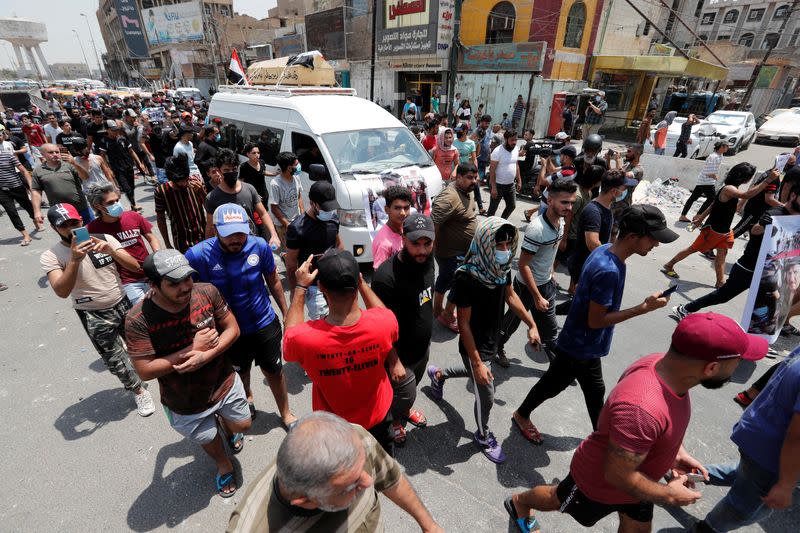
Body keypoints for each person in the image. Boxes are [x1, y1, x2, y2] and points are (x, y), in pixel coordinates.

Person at [506, 313, 768, 533]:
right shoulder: (641, 410)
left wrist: (677, 452)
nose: (740, 367)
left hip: (641, 482)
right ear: (710, 368)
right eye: (738, 360)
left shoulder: (660, 364)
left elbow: (662, 425)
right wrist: (668, 495)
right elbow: (617, 474)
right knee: (557, 498)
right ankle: (519, 502)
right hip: (601, 484)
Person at [513, 206, 678, 443]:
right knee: (581, 388)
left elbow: (583, 290)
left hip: (578, 339)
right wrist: (643, 308)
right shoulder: (609, 269)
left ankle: (597, 436)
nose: (656, 245)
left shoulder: (603, 250)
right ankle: (602, 441)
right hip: (581, 345)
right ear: (633, 237)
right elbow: (596, 320)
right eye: (653, 239)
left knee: (568, 385)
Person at [126, 249, 250, 498]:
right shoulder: (137, 319)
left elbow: (232, 329)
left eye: (187, 278)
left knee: (243, 423)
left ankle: (226, 425)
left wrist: (206, 355)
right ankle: (223, 464)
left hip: (223, 382)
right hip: (184, 400)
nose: (185, 287)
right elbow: (145, 369)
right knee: (208, 437)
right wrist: (192, 349)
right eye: (174, 283)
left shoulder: (206, 292)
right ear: (153, 285)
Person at [427, 218, 541, 463]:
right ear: (485, 243)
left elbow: (510, 296)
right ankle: (483, 435)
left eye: (509, 244)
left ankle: (438, 376)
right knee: (486, 393)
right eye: (499, 245)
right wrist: (477, 362)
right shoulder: (467, 277)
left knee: (477, 374)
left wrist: (531, 324)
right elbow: (464, 324)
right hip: (474, 344)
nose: (504, 251)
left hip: (492, 338)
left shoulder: (500, 269)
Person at [226, 411, 443, 533]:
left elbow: (390, 478)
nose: (368, 482)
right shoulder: (250, 528)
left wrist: (429, 525)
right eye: (352, 485)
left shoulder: (353, 440)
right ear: (305, 501)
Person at [284, 249, 404, 455]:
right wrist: (362, 283)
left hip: (336, 428)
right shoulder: (384, 323)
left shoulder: (306, 338)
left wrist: (301, 287)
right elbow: (383, 313)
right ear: (358, 281)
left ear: (321, 287)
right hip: (379, 418)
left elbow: (289, 339)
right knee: (382, 472)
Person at [185, 203, 295, 428]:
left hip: (264, 323)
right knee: (239, 372)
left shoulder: (260, 246)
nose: (236, 239)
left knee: (275, 370)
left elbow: (273, 280)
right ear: (215, 230)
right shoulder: (198, 255)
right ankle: (247, 398)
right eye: (229, 234)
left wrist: (286, 313)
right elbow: (186, 294)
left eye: (241, 233)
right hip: (228, 332)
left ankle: (285, 413)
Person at [40, 203, 154, 417]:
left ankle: (147, 370)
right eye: (63, 225)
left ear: (81, 221)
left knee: (138, 344)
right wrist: (74, 259)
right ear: (55, 228)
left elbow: (134, 266)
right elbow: (62, 291)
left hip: (121, 301)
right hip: (92, 312)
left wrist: (111, 250)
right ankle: (138, 390)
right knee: (114, 359)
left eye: (73, 222)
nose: (70, 228)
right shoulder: (51, 256)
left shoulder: (105, 239)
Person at [692, 346, 799, 532]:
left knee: (744, 474)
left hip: (761, 431)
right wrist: (786, 485)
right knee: (743, 508)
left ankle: (686, 472)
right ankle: (707, 529)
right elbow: (796, 436)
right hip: (774, 453)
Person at [672, 182, 800, 321]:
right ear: (793, 196)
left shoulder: (796, 221)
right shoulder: (775, 213)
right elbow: (755, 230)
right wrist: (764, 223)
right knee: (723, 296)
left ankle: (767, 330)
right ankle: (684, 309)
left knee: (770, 303)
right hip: (749, 267)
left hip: (771, 270)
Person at [497, 179, 577, 367]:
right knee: (512, 322)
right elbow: (523, 265)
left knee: (549, 327)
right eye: (564, 202)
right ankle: (497, 348)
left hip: (546, 283)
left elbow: (551, 250)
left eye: (571, 202)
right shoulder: (537, 229)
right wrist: (536, 296)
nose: (569, 206)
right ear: (550, 201)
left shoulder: (560, 222)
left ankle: (556, 362)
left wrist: (551, 271)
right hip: (526, 286)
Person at [372, 214, 436, 445]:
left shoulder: (429, 262)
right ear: (403, 238)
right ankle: (393, 421)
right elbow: (378, 328)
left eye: (427, 243)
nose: (422, 250)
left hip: (421, 349)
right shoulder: (385, 278)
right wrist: (394, 360)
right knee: (403, 394)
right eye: (415, 243)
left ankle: (403, 410)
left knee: (410, 391)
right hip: (399, 355)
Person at [663, 164, 778, 288]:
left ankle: (720, 281)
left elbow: (713, 205)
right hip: (713, 231)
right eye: (750, 177)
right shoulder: (729, 189)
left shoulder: (731, 188)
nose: (750, 179)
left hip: (724, 231)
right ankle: (669, 264)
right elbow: (746, 196)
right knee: (693, 249)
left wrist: (699, 218)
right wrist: (768, 180)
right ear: (744, 178)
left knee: (722, 255)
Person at [559, 170, 637, 314]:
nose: (625, 191)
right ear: (614, 191)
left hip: (590, 263)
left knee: (582, 304)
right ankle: (547, 315)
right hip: (584, 265)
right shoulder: (594, 211)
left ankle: (549, 315)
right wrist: (612, 259)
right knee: (583, 306)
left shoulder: (606, 207)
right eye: (624, 188)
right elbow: (592, 242)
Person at [86, 183, 159, 304]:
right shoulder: (92, 230)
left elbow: (151, 237)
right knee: (144, 312)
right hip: (126, 282)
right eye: (110, 203)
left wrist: (157, 256)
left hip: (151, 274)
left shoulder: (133, 216)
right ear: (98, 206)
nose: (116, 204)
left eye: (117, 200)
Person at [431, 163, 478, 333]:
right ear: (458, 177)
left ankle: (446, 311)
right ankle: (441, 312)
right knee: (449, 282)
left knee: (457, 284)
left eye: (475, 177)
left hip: (464, 252)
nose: (474, 181)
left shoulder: (467, 191)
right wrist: (431, 251)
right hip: (450, 253)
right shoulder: (449, 197)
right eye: (469, 178)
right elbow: (433, 223)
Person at [285, 181, 343, 320]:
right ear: (312, 203)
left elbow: (339, 245)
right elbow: (291, 263)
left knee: (338, 320)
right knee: (321, 323)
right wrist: (295, 290)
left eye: (330, 207)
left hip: (334, 281)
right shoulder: (296, 228)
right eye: (324, 207)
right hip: (313, 287)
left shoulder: (333, 220)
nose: (328, 211)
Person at [204, 149, 280, 248]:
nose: (231, 173)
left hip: (250, 244)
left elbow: (263, 213)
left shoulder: (249, 189)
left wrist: (273, 234)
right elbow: (210, 227)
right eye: (226, 170)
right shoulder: (212, 197)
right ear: (218, 170)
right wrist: (208, 249)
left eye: (234, 169)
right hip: (228, 247)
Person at [153, 154, 207, 253]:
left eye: (186, 180)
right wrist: (167, 243)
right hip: (182, 243)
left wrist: (201, 192)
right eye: (180, 182)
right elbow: (161, 218)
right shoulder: (161, 191)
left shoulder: (196, 181)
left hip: (203, 237)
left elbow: (209, 208)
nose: (184, 184)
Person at [31, 143, 91, 225]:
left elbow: (85, 177)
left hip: (81, 208)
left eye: (57, 152)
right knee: (71, 236)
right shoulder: (38, 170)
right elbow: (36, 192)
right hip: (61, 212)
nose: (55, 154)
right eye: (51, 152)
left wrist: (74, 163)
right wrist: (37, 211)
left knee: (92, 233)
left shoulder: (69, 165)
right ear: (42, 154)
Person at [99, 120, 146, 212]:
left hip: (128, 166)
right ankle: (130, 206)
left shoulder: (123, 138)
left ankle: (133, 205)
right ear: (107, 130)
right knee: (126, 188)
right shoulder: (104, 141)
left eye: (116, 129)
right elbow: (102, 157)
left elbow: (131, 151)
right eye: (113, 130)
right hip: (117, 169)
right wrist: (108, 169)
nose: (115, 131)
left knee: (132, 187)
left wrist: (139, 163)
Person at [679, 141, 728, 223]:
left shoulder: (719, 155)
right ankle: (698, 215)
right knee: (712, 199)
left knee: (693, 198)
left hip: (702, 181)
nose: (728, 148)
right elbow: (709, 172)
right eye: (726, 146)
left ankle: (683, 215)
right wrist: (716, 177)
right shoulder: (714, 157)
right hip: (707, 182)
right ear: (722, 147)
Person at [0, 148, 41, 245]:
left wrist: (31, 186)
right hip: (2, 191)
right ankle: (25, 234)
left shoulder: (8, 156)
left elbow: (24, 171)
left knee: (27, 206)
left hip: (17, 187)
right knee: (11, 212)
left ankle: (35, 220)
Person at [732, 165, 784, 238]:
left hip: (757, 211)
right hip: (754, 211)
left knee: (754, 237)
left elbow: (754, 186)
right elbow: (769, 199)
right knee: (735, 232)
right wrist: (785, 208)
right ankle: (713, 245)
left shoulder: (768, 172)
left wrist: (741, 203)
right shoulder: (773, 178)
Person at [269, 151, 304, 252]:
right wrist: (287, 225)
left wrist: (302, 215)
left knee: (299, 250)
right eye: (296, 165)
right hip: (283, 226)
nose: (299, 166)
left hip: (297, 221)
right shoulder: (275, 184)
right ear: (289, 168)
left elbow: (299, 196)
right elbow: (274, 208)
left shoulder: (296, 178)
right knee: (288, 252)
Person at [608, 144, 645, 239]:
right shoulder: (627, 165)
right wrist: (608, 160)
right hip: (614, 202)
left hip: (622, 205)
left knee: (613, 232)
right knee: (607, 229)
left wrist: (618, 160)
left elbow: (625, 176)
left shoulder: (638, 169)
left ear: (637, 153)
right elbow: (615, 175)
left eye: (629, 152)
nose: (626, 154)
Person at [371, 186, 412, 268]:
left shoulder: (407, 229)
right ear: (387, 210)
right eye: (397, 208)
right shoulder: (383, 244)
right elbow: (381, 276)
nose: (403, 213)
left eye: (406, 208)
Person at [488, 129, 521, 219]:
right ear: (506, 139)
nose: (514, 142)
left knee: (511, 206)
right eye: (512, 140)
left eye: (516, 140)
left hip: (510, 185)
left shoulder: (516, 149)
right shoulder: (497, 151)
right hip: (498, 185)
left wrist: (519, 180)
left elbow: (516, 165)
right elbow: (492, 170)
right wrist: (494, 188)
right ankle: (487, 229)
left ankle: (501, 223)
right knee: (492, 210)